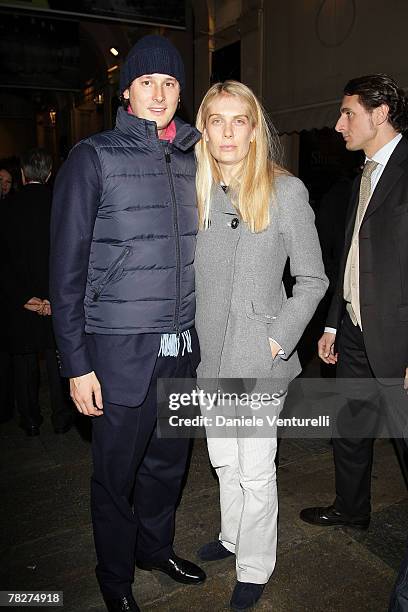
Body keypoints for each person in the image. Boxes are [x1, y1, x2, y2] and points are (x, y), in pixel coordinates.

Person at [50, 35, 205, 612]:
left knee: (168, 464)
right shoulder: (93, 158)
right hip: (118, 352)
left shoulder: (197, 158)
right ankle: (115, 581)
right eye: (147, 82)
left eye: (169, 83)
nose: (159, 93)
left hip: (182, 347)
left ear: (180, 91)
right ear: (126, 91)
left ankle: (154, 549)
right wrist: (77, 364)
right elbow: (65, 272)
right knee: (114, 478)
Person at [193, 81, 328, 611]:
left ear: (254, 129)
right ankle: (232, 539)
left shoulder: (284, 191)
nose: (228, 131)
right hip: (210, 360)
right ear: (203, 129)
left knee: (255, 470)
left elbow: (313, 279)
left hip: (258, 360)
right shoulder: (197, 192)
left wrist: (279, 338)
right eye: (216, 120)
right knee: (224, 463)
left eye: (239, 119)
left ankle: (255, 564)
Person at [300, 74, 408, 531]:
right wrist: (331, 324)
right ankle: (351, 508)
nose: (339, 124)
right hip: (354, 332)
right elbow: (348, 255)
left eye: (348, 113)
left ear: (380, 113)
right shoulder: (362, 173)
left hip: (398, 339)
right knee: (349, 429)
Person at [0, 148, 73, 436]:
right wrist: (55, 298)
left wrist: (22, 297)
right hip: (56, 299)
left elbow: (2, 262)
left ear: (22, 174)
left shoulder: (6, 209)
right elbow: (70, 255)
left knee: (24, 361)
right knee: (58, 358)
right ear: (50, 173)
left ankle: (30, 418)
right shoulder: (61, 205)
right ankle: (61, 415)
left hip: (21, 302)